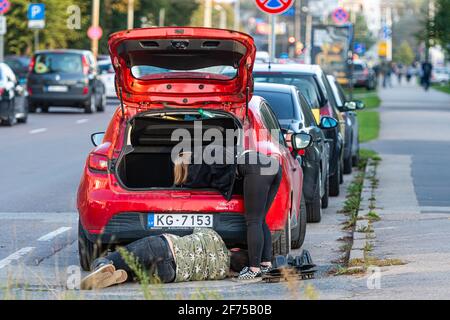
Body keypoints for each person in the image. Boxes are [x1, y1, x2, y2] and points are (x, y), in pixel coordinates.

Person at [174, 148, 282, 281]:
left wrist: (181, 185)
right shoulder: (210, 152)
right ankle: (265, 264)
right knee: (260, 220)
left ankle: (254, 269)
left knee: (253, 221)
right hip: (274, 166)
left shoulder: (198, 159)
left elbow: (196, 182)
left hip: (256, 167)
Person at [81, 228, 251, 290]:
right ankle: (118, 277)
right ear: (233, 272)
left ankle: (102, 266)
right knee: (135, 271)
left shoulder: (214, 236)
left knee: (115, 258)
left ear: (235, 249)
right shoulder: (220, 273)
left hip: (164, 247)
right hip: (169, 274)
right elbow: (232, 272)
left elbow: (194, 229)